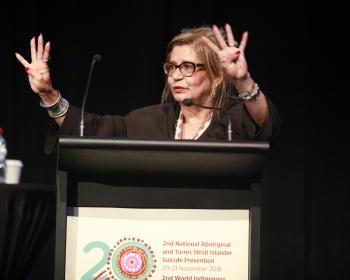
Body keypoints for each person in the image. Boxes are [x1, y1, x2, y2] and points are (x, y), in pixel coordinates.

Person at [15, 23, 281, 152]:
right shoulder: (151, 120)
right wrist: (48, 94)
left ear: (216, 75)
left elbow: (263, 118)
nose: (176, 76)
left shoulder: (233, 118)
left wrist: (242, 80)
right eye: (171, 67)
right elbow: (90, 127)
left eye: (187, 67)